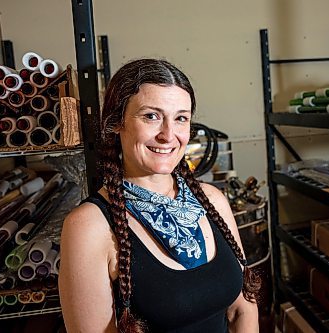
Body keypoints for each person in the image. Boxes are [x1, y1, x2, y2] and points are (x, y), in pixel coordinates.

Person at [59, 58, 259, 332]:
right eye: (151, 116)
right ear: (117, 123)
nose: (168, 134)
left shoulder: (212, 200)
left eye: (180, 118)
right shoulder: (89, 226)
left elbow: (242, 309)